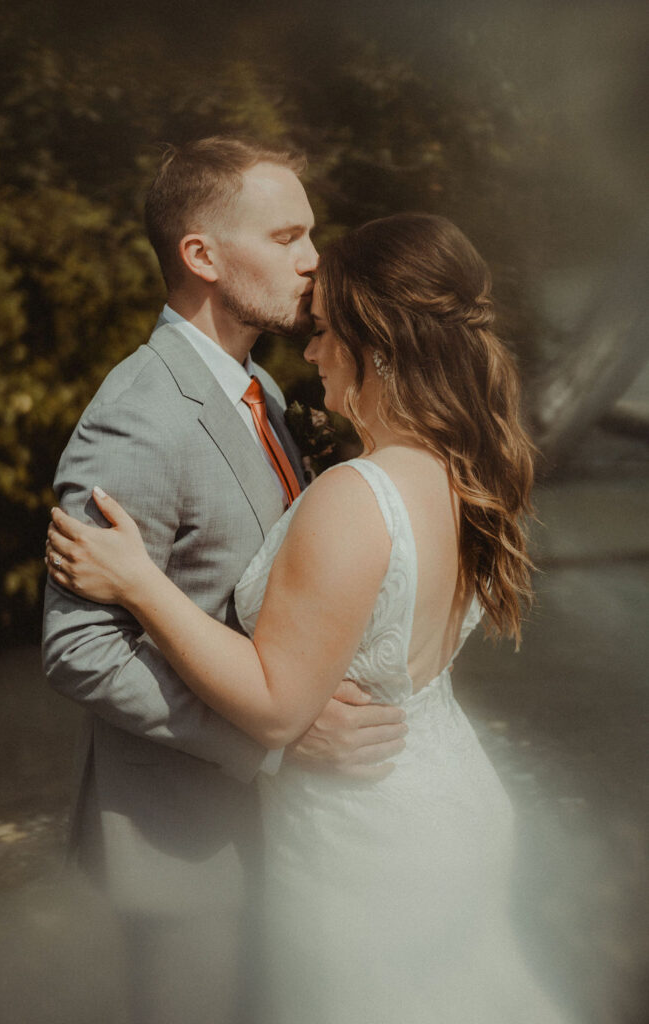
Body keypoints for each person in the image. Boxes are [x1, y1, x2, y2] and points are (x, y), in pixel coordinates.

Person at [47, 212, 574, 1023]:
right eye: (286, 235)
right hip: (444, 797)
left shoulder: (355, 494)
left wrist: (140, 584)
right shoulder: (462, 469)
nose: (311, 348)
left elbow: (279, 705)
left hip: (367, 840)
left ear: (380, 350)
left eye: (327, 333)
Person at [41, 137, 407, 1024]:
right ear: (201, 256)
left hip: (286, 842)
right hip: (186, 850)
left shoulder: (264, 395)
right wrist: (274, 739)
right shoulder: (135, 416)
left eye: (309, 234)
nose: (313, 261)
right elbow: (77, 647)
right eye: (286, 237)